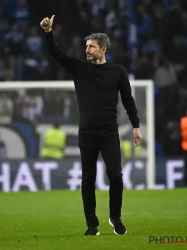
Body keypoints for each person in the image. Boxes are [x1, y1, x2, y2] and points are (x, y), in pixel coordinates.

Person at [40, 15, 142, 236]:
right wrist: (49, 32)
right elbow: (57, 54)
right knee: (88, 178)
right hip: (87, 132)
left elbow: (128, 99)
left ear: (103, 49)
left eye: (92, 47)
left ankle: (115, 216)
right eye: (86, 46)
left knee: (115, 175)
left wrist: (135, 125)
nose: (87, 50)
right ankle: (92, 224)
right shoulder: (80, 68)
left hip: (109, 132)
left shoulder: (117, 72)